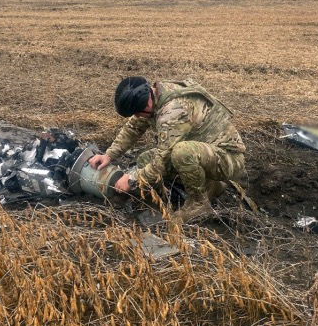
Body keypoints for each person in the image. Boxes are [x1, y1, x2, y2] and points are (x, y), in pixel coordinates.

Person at [89, 76, 246, 223]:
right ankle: (210, 186)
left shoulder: (173, 110)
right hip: (206, 152)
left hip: (228, 159)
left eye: (137, 113)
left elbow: (162, 162)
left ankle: (199, 204)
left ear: (146, 105)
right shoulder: (155, 95)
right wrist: (109, 155)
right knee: (145, 159)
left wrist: (132, 180)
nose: (136, 117)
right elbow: (133, 128)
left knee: (181, 153)